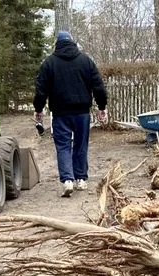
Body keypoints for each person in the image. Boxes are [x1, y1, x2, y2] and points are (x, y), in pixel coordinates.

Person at [33, 31, 108, 198]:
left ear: (57, 44)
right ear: (72, 42)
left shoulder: (49, 63)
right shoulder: (86, 61)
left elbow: (40, 91)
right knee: (81, 145)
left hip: (60, 114)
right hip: (82, 113)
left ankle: (67, 180)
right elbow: (98, 86)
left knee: (63, 146)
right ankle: (81, 179)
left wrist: (38, 109)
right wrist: (101, 106)